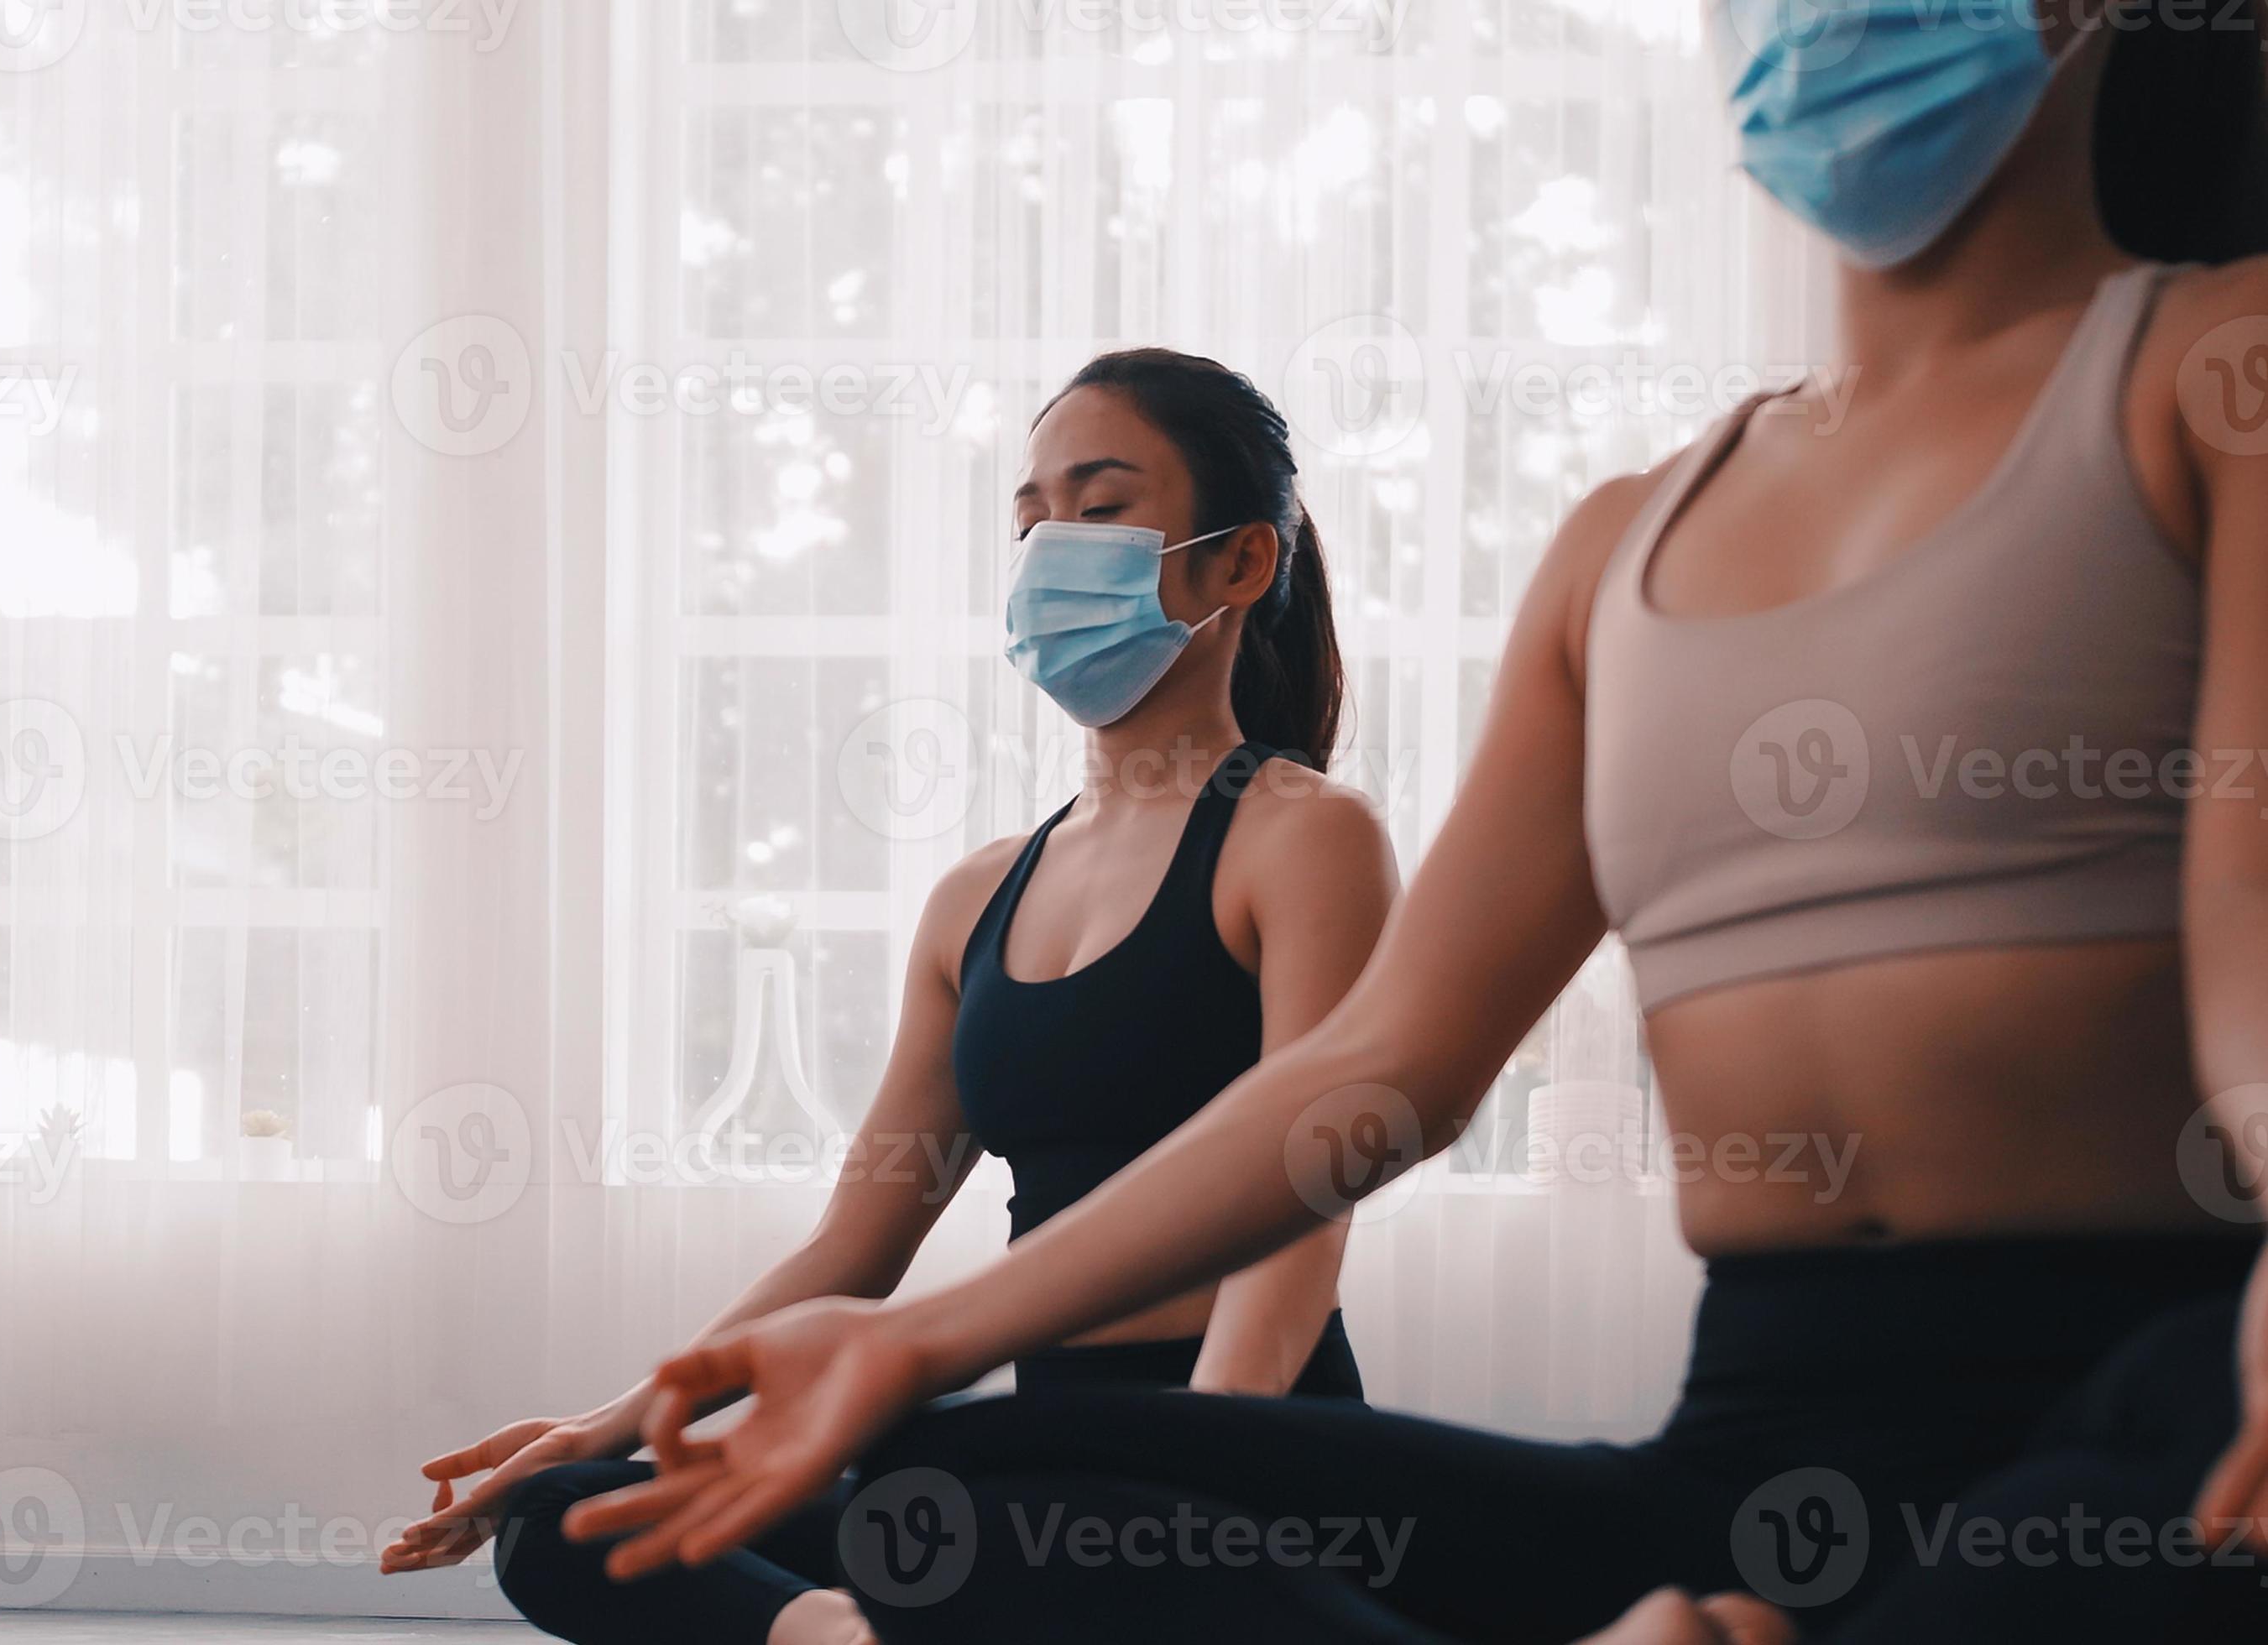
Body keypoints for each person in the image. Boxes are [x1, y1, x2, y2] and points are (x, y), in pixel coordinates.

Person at [554, 4, 2268, 1640]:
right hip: (1747, 1443)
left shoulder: (2213, 369)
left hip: (2155, 1377)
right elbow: (1384, 1067)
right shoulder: (1621, 541)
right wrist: (914, 1344)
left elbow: (2251, 935)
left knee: (2156, 1478)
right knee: (964, 1494)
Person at [378, 349, 1397, 1645]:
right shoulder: (978, 896)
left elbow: (1298, 1229)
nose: (1050, 550)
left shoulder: (1306, 838)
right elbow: (851, 1253)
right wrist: (607, 1425)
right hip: (1042, 1457)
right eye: (1029, 520)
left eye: (1097, 507)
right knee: (571, 1517)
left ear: (1239, 564)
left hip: (1247, 1454)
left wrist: (1192, 1500)